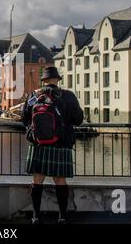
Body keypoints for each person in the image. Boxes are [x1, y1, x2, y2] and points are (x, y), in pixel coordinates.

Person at [22, 66, 83, 224]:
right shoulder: (68, 96)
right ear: (57, 80)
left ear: (44, 81)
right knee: (60, 180)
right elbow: (78, 120)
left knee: (37, 180)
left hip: (38, 143)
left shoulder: (34, 96)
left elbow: (24, 119)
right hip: (61, 143)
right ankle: (62, 216)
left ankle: (36, 216)